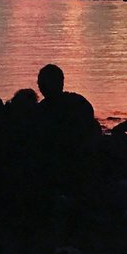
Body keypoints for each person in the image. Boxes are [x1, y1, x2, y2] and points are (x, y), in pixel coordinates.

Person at [35, 64, 100, 193]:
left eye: (40, 82)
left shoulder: (40, 112)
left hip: (61, 168)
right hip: (83, 165)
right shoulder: (80, 102)